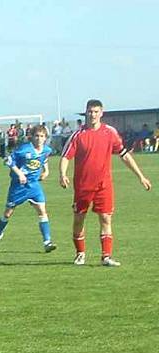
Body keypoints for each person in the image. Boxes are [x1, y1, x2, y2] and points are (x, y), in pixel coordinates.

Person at [60, 99, 152, 267]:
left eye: (96, 111)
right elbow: (66, 156)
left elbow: (124, 154)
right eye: (90, 111)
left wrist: (141, 176)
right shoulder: (78, 135)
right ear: (86, 112)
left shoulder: (110, 132)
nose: (92, 115)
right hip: (83, 186)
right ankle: (80, 254)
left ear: (101, 113)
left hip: (104, 185)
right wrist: (62, 174)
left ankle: (106, 256)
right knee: (79, 220)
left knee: (105, 219)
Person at [0, 124, 56, 253]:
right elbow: (8, 160)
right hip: (18, 186)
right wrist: (19, 173)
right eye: (36, 136)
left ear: (45, 138)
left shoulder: (47, 150)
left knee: (42, 211)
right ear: (32, 137)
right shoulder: (24, 149)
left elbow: (44, 159)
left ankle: (47, 241)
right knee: (8, 213)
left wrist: (46, 171)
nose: (39, 139)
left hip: (34, 185)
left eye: (42, 136)